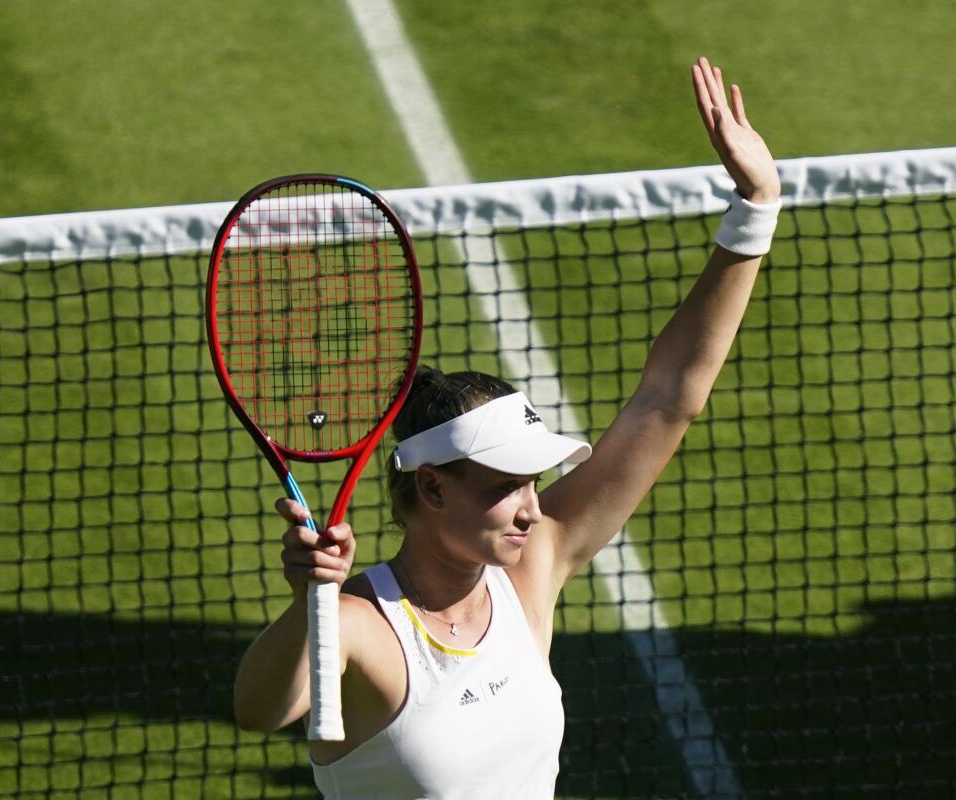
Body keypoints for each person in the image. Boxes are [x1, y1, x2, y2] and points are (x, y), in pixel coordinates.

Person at [232, 56, 783, 799]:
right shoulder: (363, 623)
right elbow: (262, 710)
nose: (532, 505)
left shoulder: (532, 567)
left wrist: (755, 209)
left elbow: (665, 401)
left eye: (531, 480)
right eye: (504, 485)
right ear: (431, 488)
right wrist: (311, 603)